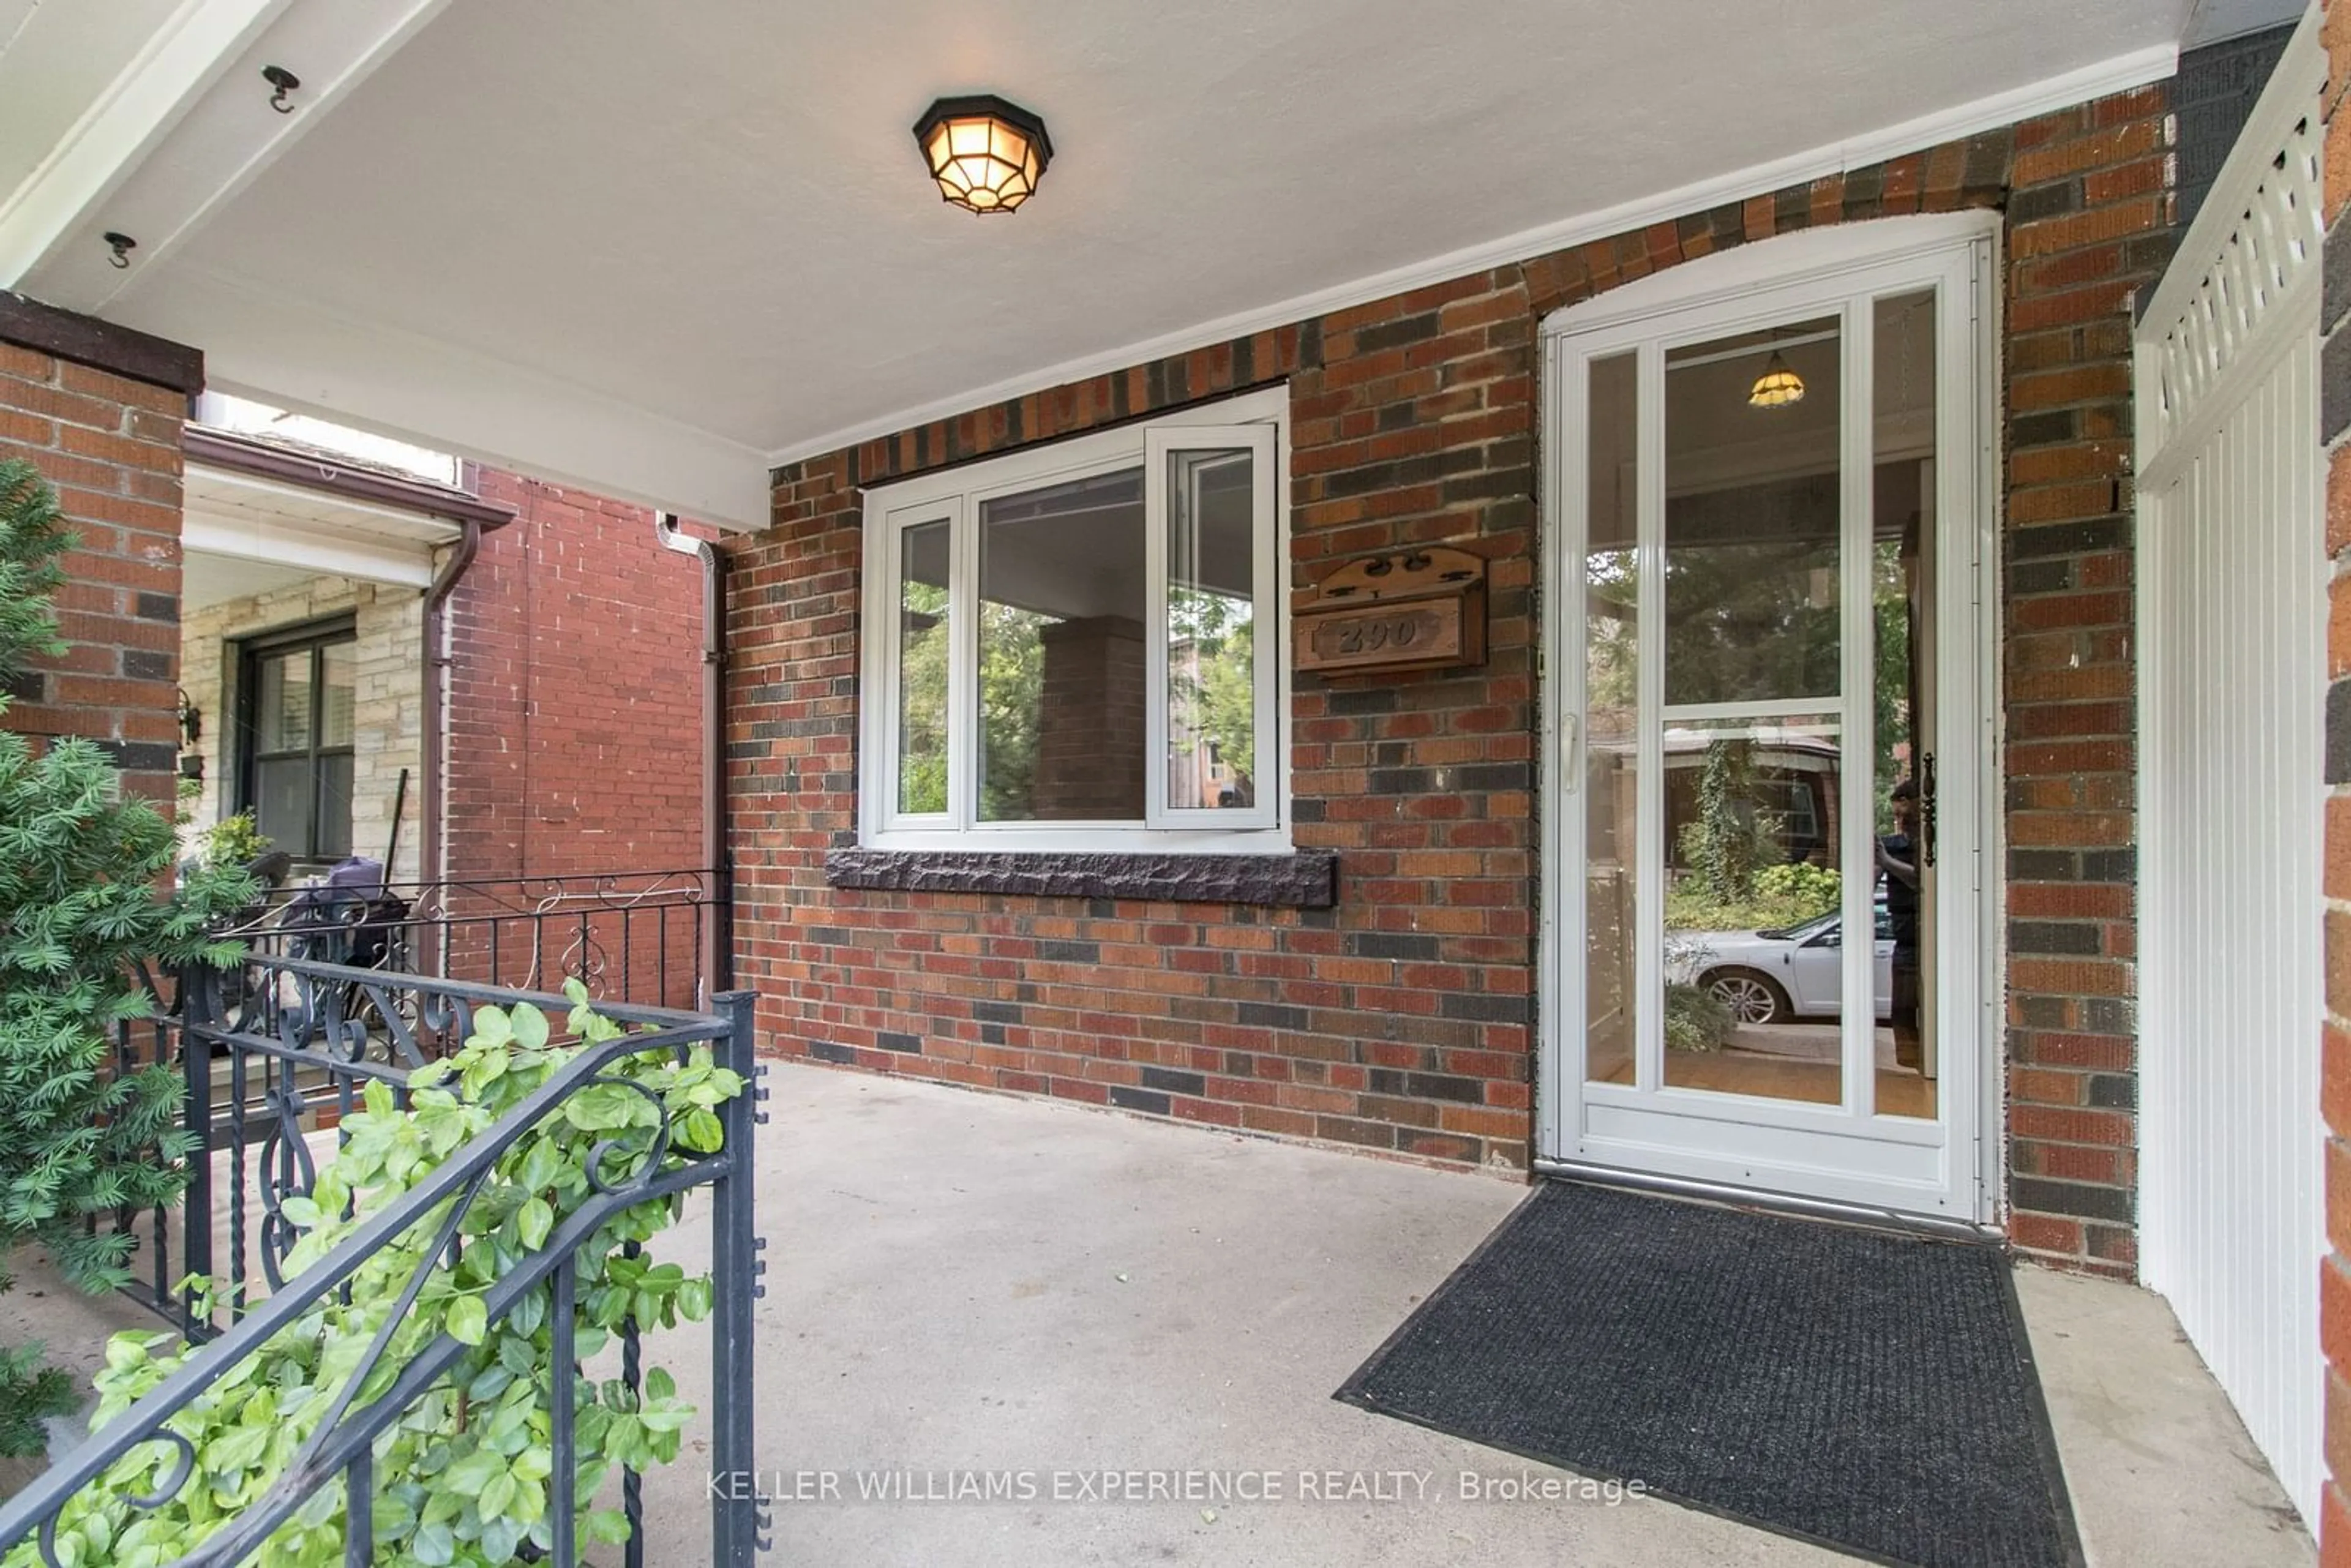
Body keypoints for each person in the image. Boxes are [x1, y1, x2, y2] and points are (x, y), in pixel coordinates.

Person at [1873, 779, 1923, 1072]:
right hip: (1906, 941)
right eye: (1897, 817)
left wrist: (1887, 862)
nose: (1901, 823)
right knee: (1903, 1011)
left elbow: (1925, 880)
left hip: (1933, 940)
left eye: (1908, 817)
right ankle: (1912, 1065)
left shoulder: (1935, 846)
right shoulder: (1893, 846)